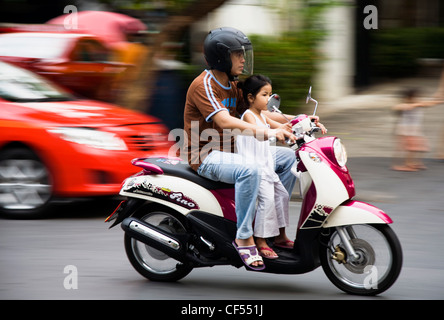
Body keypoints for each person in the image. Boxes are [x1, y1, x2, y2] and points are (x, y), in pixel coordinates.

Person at [236, 75, 293, 259]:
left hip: (267, 166)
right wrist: (275, 133)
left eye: (270, 95)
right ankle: (260, 240)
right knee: (267, 201)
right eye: (264, 94)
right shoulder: (248, 115)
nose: (268, 99)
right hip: (255, 169)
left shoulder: (262, 116)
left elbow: (285, 126)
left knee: (282, 195)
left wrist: (307, 123)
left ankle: (280, 236)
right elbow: (260, 134)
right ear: (251, 98)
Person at [392, 88, 442, 171]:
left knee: (422, 148)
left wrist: (439, 101)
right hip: (406, 132)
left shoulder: (419, 104)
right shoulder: (404, 105)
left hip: (415, 131)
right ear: (408, 98)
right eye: (415, 97)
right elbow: (397, 107)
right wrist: (415, 105)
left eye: (418, 97)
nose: (417, 99)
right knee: (410, 149)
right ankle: (405, 164)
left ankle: (414, 163)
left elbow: (430, 103)